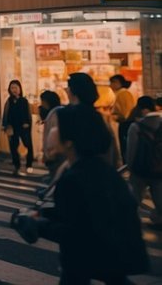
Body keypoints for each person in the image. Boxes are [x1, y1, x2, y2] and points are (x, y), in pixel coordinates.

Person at [32, 104, 148, 285]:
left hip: (83, 261)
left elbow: (75, 230)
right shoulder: (104, 171)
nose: (51, 132)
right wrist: (47, 215)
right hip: (112, 258)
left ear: (70, 140)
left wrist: (39, 226)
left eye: (57, 127)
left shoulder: (73, 179)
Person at [125, 95, 162, 226]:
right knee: (159, 198)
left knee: (134, 198)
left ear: (143, 109)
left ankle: (129, 223)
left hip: (140, 170)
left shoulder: (136, 127)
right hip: (159, 170)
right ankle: (159, 220)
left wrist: (131, 167)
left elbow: (131, 150)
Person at [2, 80, 34, 176]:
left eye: (16, 87)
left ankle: (29, 164)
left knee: (28, 145)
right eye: (12, 88)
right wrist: (5, 125)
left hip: (24, 127)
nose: (14, 90)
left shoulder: (24, 101)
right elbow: (6, 114)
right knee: (13, 147)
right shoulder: (9, 101)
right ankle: (17, 165)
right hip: (12, 127)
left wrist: (27, 124)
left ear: (20, 89)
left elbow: (28, 115)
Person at [110, 74, 137, 158]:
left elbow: (125, 113)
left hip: (126, 124)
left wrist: (114, 117)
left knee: (125, 148)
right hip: (126, 123)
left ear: (118, 83)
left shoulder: (123, 93)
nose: (110, 85)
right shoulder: (121, 93)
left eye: (112, 82)